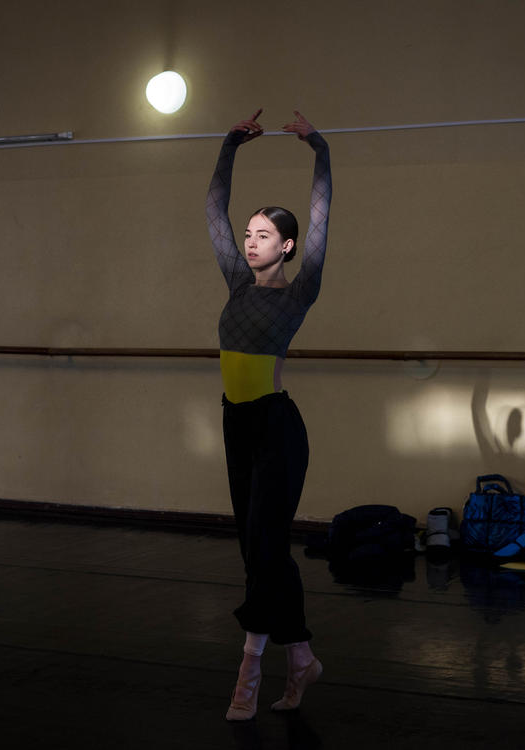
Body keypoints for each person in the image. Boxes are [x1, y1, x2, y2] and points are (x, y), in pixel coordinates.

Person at [205, 108, 332, 721]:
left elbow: (321, 219)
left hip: (278, 430)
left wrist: (320, 151)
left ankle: (250, 667)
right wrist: (230, 144)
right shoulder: (235, 283)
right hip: (236, 426)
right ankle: (301, 655)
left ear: (285, 246)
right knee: (262, 553)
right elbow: (211, 210)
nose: (249, 239)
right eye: (247, 232)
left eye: (262, 234)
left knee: (264, 545)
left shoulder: (298, 291)